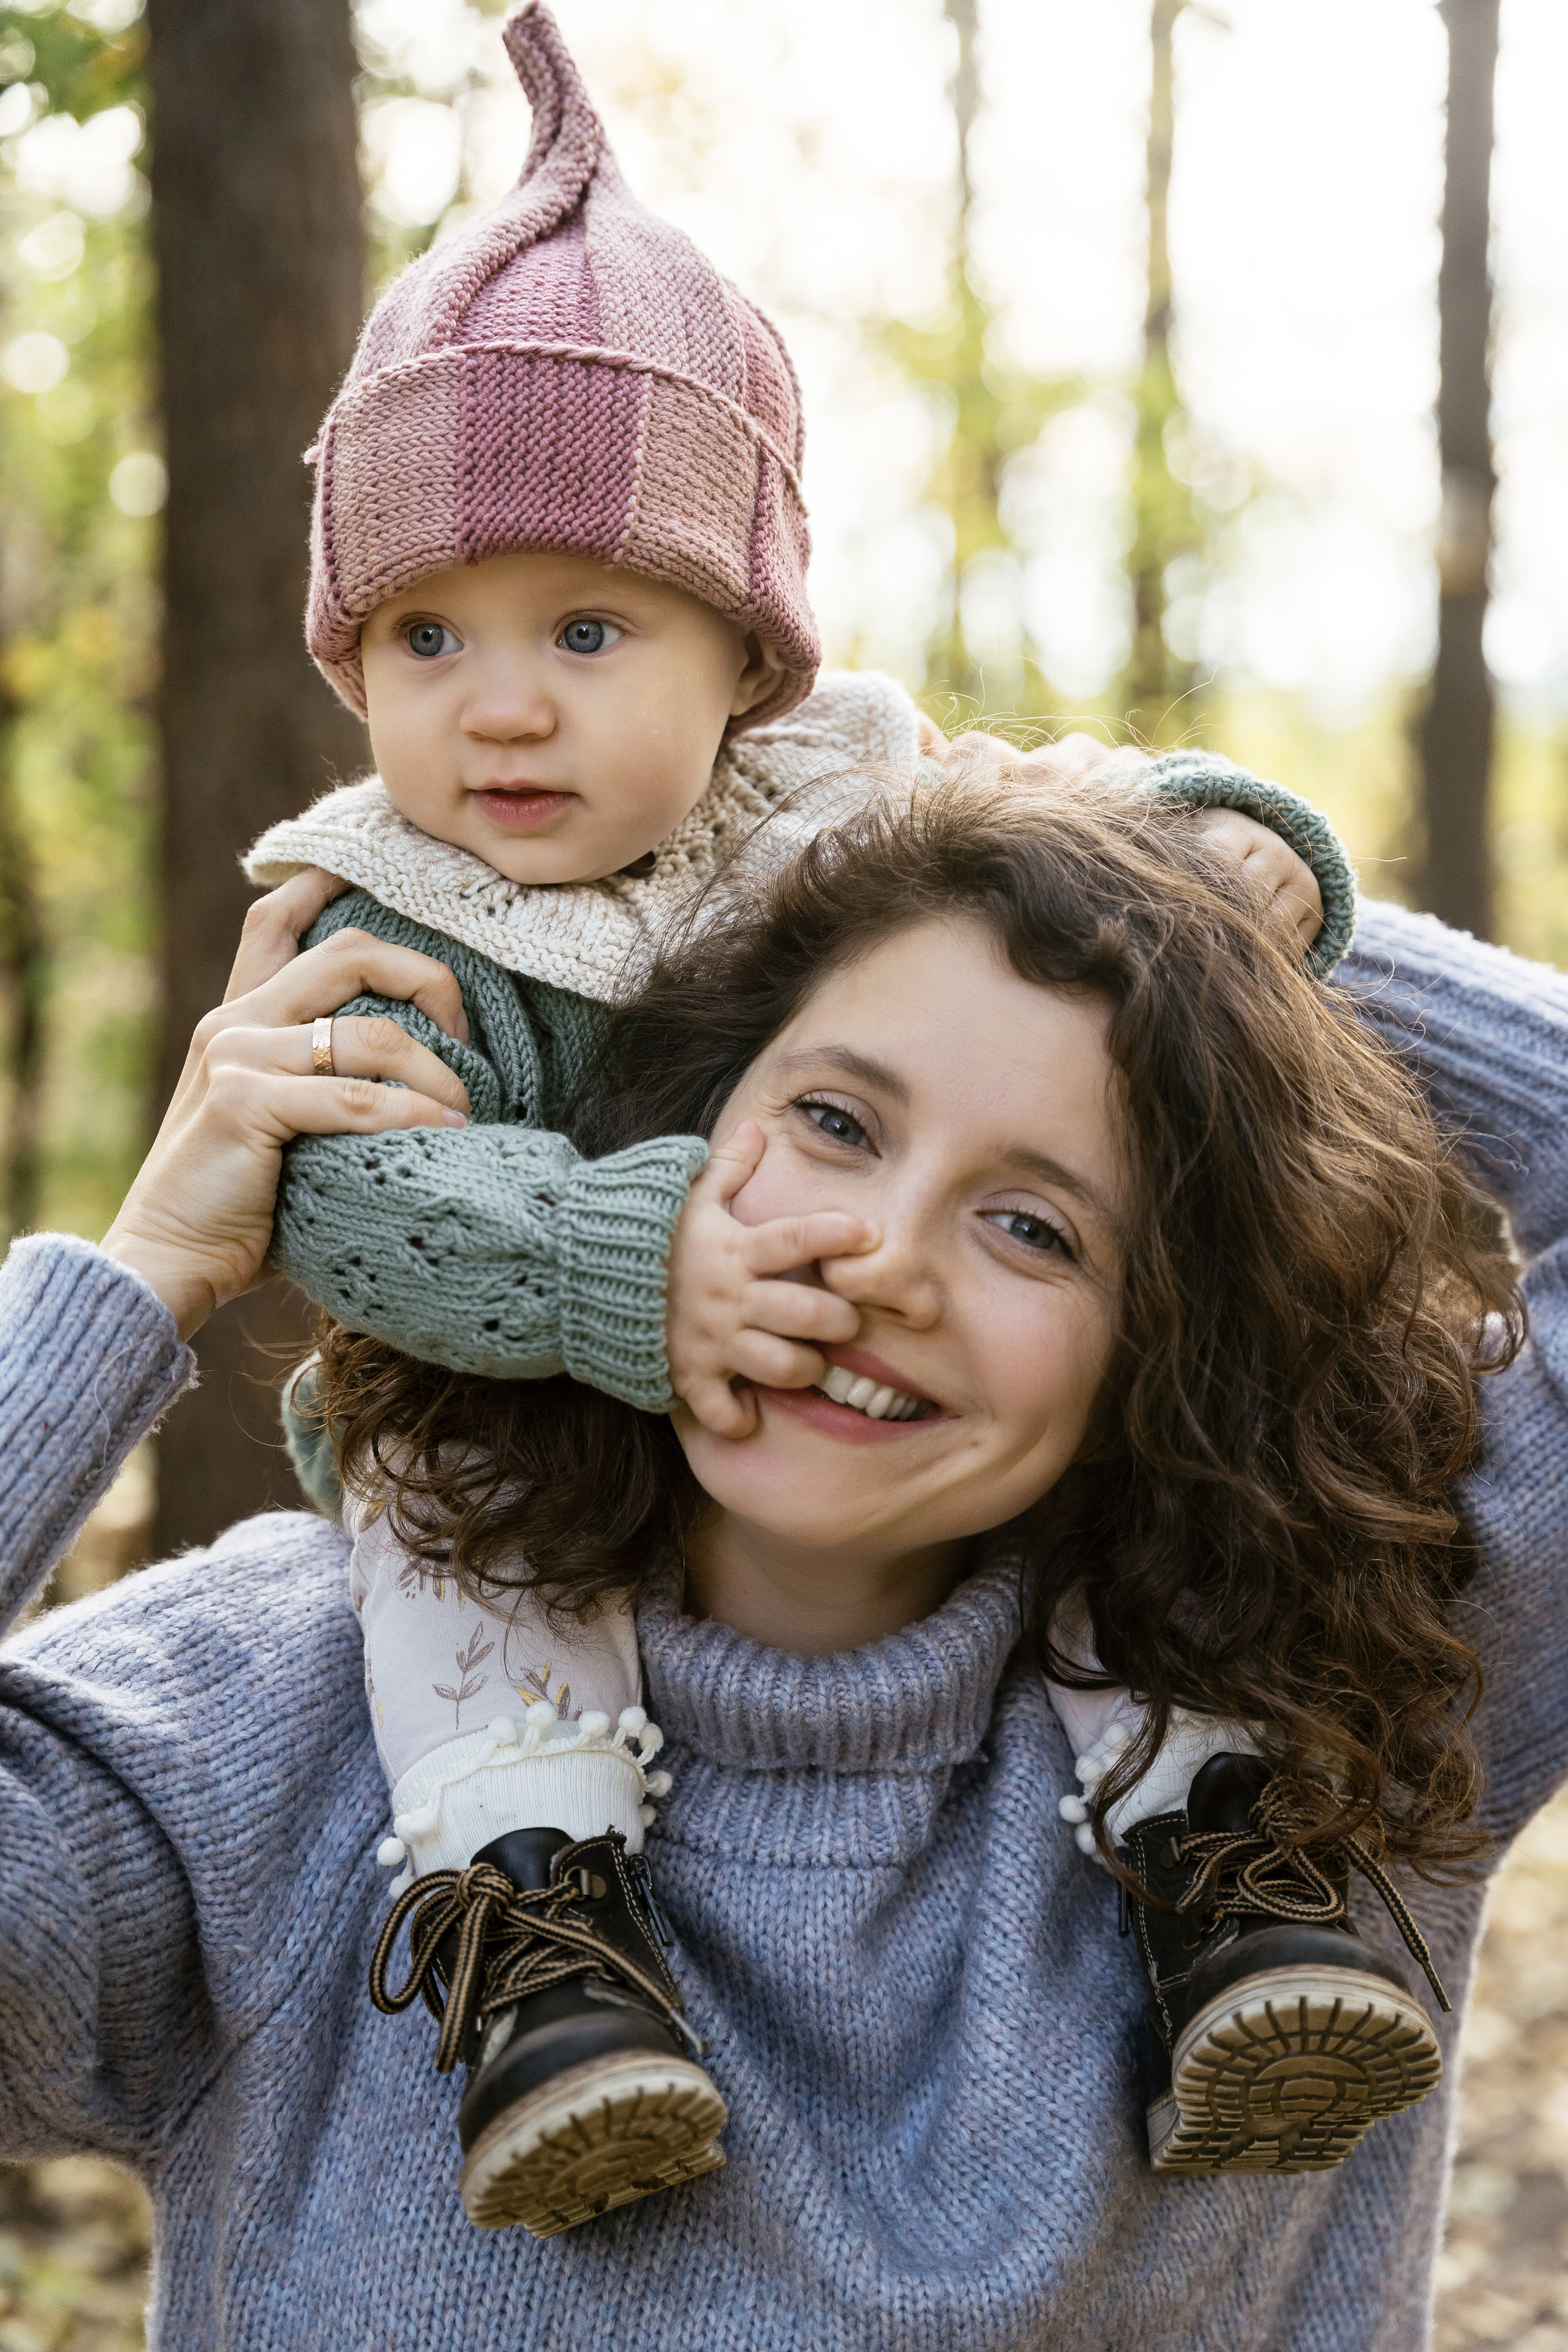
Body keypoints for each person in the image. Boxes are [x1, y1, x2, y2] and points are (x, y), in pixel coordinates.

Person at [235, 0, 1354, 2231]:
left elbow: (1084, 831)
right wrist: (626, 1257)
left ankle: (1220, 1846)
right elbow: (359, 1205)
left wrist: (1257, 869)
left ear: (745, 654)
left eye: (585, 626)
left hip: (886, 1448)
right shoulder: (386, 918)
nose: (506, 706)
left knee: (1104, 1435)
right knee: (447, 1516)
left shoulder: (847, 797)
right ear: (351, 663)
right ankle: (537, 1933)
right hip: (533, 1427)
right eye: (426, 640)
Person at [2, 778, 1564, 2350]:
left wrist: (1246, 911)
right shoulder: (276, 1714)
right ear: (676, 1129)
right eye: (833, 1123)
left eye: (1034, 1228)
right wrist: (135, 1283)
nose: (877, 1261)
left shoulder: (1348, 1675)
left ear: (1169, 1339)